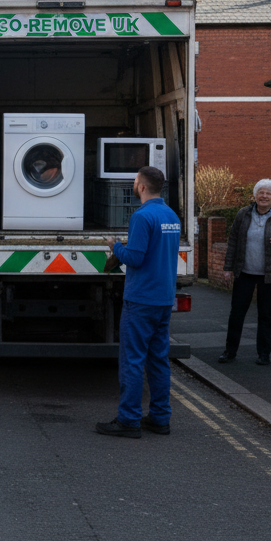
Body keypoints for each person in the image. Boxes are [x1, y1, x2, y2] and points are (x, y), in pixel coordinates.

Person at [98, 166, 182, 439]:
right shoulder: (171, 215)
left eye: (135, 181)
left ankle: (129, 420)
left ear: (142, 186)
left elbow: (134, 258)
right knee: (158, 360)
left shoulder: (142, 216)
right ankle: (160, 418)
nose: (134, 185)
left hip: (141, 299)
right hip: (163, 297)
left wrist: (115, 246)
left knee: (132, 360)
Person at [219, 179, 271, 366]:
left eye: (268, 193)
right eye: (261, 192)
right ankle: (229, 352)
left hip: (270, 274)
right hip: (245, 272)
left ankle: (264, 354)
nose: (264, 196)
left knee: (266, 315)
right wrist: (228, 269)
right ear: (255, 195)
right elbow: (233, 242)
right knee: (236, 314)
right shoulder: (243, 214)